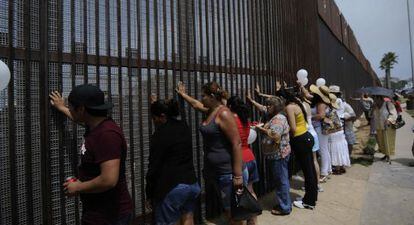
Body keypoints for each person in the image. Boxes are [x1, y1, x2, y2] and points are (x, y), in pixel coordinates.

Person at [49, 85, 133, 225]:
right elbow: (76, 117)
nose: (69, 109)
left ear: (81, 109)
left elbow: (109, 179)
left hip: (110, 215)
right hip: (99, 212)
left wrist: (78, 187)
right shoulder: (95, 126)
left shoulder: (107, 135)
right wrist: (61, 108)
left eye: (70, 107)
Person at [177, 81, 244, 224]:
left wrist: (237, 175)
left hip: (226, 172)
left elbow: (237, 143)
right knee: (228, 210)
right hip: (215, 171)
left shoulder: (224, 113)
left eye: (204, 96)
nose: (201, 98)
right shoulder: (211, 111)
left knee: (232, 211)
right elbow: (196, 104)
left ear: (212, 96)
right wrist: (183, 95)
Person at [146, 98, 201, 225]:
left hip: (171, 187)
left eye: (154, 117)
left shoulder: (159, 135)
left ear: (162, 116)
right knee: (188, 217)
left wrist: (149, 193)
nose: (153, 121)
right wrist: (156, 105)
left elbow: (153, 167)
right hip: (191, 183)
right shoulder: (183, 126)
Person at [254, 97, 292, 215]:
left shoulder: (278, 119)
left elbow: (275, 136)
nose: (268, 107)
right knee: (281, 180)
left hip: (278, 155)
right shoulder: (277, 117)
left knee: (281, 181)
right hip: (278, 154)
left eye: (270, 105)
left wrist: (262, 129)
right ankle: (284, 203)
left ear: (276, 107)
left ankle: (284, 207)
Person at [281, 88, 317, 210]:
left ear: (283, 99)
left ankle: (309, 202)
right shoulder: (297, 104)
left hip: (300, 139)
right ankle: (311, 197)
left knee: (308, 171)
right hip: (307, 137)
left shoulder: (289, 108)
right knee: (310, 169)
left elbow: (293, 128)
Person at [227, 96, 259, 225]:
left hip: (241, 161)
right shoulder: (244, 118)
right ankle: (253, 222)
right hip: (251, 157)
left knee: (239, 197)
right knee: (250, 191)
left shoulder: (232, 119)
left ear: (230, 107)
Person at [309, 85, 332, 182]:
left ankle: (323, 173)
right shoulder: (323, 102)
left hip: (319, 128)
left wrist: (309, 117)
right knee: (325, 150)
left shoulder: (320, 103)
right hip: (321, 128)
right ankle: (328, 170)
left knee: (322, 151)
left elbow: (321, 115)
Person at [373, 95, 398, 163]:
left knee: (388, 141)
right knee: (381, 142)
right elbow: (372, 115)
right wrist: (373, 108)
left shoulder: (388, 104)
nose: (374, 100)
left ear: (379, 98)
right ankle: (385, 154)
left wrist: (389, 120)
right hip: (379, 126)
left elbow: (394, 114)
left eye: (375, 98)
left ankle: (389, 156)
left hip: (388, 126)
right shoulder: (375, 106)